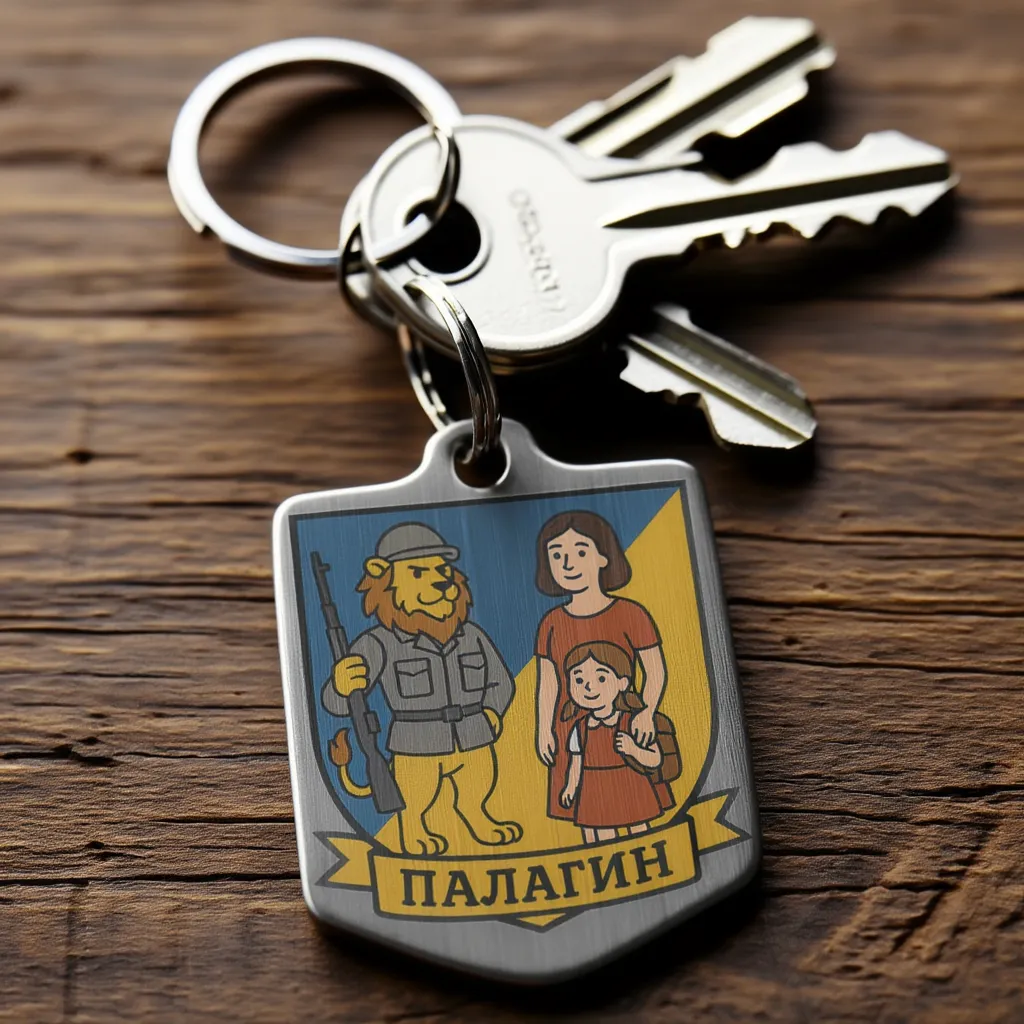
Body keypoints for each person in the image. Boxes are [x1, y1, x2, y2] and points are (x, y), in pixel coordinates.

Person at [533, 510, 667, 822]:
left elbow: (655, 670)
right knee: (584, 805)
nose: (568, 564)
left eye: (580, 552)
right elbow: (548, 683)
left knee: (635, 798)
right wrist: (544, 729)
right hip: (572, 725)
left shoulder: (631, 613)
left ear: (603, 557)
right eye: (557, 555)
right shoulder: (551, 623)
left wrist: (647, 713)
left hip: (623, 719)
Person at [559, 641, 664, 843]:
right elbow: (576, 762)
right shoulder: (580, 728)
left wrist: (633, 750)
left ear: (622, 683)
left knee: (640, 833)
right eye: (579, 679)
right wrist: (571, 787)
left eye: (601, 678)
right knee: (601, 835)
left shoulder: (632, 721)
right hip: (593, 789)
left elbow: (655, 759)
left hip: (629, 787)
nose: (589, 686)